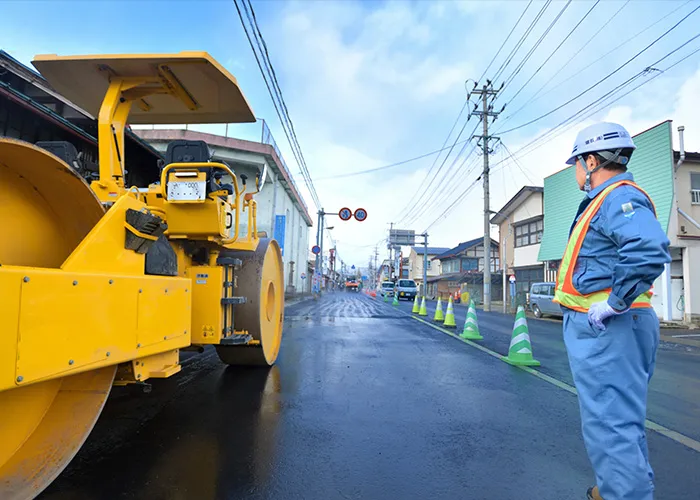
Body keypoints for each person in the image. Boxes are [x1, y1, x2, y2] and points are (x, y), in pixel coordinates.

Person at [553, 122, 671, 500]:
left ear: (591, 161)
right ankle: (616, 487)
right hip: (611, 329)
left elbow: (648, 249)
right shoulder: (607, 200)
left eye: (576, 162)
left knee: (611, 425)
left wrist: (615, 303)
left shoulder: (618, 197)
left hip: (611, 329)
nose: (575, 171)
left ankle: (625, 492)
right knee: (618, 421)